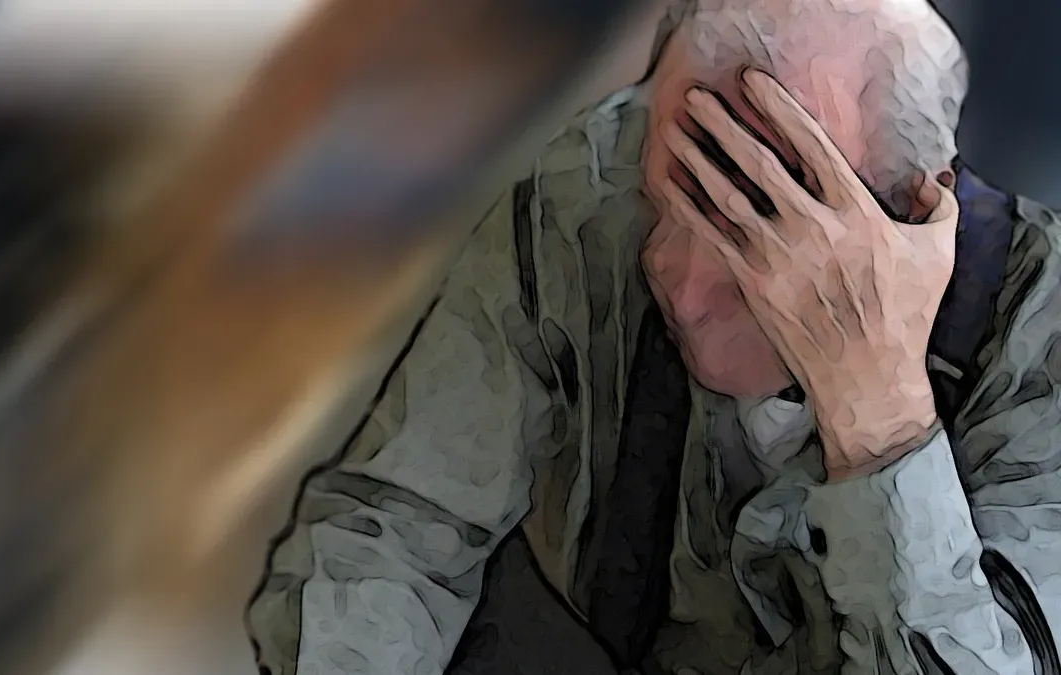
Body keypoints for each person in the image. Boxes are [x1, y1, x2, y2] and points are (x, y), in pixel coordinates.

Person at [249, 0, 1061, 673]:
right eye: (667, 190)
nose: (672, 272)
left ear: (914, 222)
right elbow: (397, 524)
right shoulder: (594, 186)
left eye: (758, 219)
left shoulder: (1038, 336)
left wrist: (880, 418)